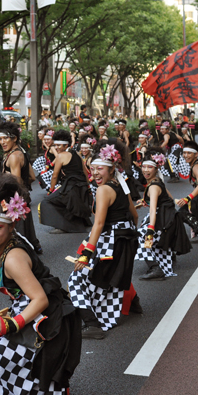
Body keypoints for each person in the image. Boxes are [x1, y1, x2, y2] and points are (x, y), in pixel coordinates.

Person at [0, 174, 81, 395]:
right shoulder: (11, 242)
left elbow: (40, 299)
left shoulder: (13, 257)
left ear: (11, 225)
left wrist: (11, 323)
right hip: (43, 314)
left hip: (45, 319)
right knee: (19, 373)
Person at [68, 140, 141, 339]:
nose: (95, 173)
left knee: (77, 280)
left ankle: (93, 325)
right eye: (92, 169)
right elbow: (134, 214)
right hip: (125, 239)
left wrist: (86, 254)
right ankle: (134, 302)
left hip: (112, 241)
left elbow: (98, 224)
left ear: (111, 169)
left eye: (100, 168)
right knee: (111, 277)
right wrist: (128, 240)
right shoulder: (120, 183)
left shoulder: (103, 190)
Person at [134, 149, 191, 280]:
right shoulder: (158, 180)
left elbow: (153, 209)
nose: (145, 170)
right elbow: (168, 198)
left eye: (149, 167)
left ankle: (156, 268)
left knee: (139, 237)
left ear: (156, 168)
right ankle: (170, 257)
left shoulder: (153, 186)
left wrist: (150, 229)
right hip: (169, 217)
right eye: (143, 166)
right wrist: (144, 201)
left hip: (164, 219)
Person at [0, 121, 43, 254]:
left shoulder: (13, 156)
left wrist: (6, 178)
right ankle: (34, 247)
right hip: (23, 197)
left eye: (6, 138)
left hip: (15, 199)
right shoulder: (21, 152)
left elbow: (15, 182)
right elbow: (32, 177)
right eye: (0, 138)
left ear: (15, 138)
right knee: (25, 228)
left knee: (13, 228)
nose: (2, 142)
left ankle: (16, 253)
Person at [39, 129, 93, 234]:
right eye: (55, 145)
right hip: (80, 187)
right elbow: (85, 173)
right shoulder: (77, 154)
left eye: (59, 146)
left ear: (65, 145)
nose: (57, 148)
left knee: (46, 202)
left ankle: (64, 226)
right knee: (60, 200)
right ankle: (74, 223)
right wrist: (88, 187)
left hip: (70, 188)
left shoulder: (61, 156)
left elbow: (54, 176)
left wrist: (51, 190)